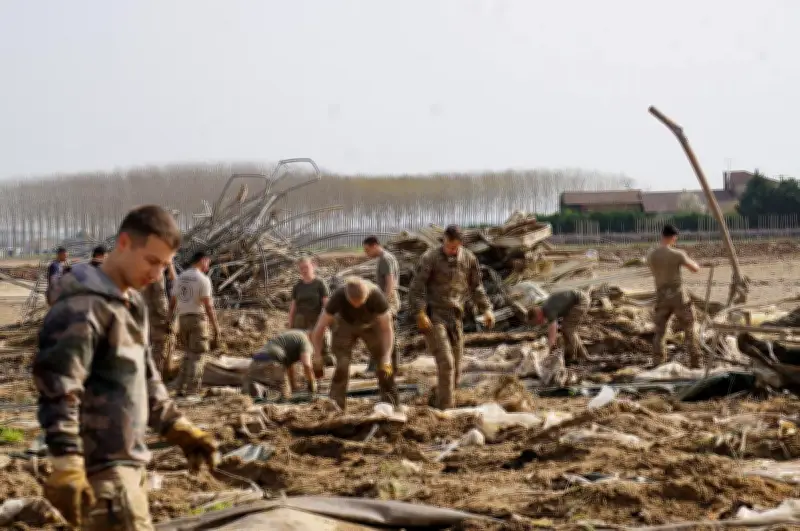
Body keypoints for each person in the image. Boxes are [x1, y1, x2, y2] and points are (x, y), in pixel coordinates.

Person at [32, 205, 219, 531]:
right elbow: (59, 385)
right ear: (123, 244)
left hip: (130, 463)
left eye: (164, 265)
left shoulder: (130, 302)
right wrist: (66, 461)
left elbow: (146, 377)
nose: (157, 274)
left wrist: (178, 427)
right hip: (102, 474)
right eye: (151, 261)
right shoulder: (84, 305)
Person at [407, 224, 495, 410]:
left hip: (455, 316)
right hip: (434, 315)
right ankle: (445, 409)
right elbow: (417, 288)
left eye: (455, 247)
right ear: (444, 240)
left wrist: (486, 309)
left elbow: (476, 287)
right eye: (448, 245)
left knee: (456, 365)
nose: (451, 250)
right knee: (446, 362)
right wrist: (420, 313)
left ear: (461, 243)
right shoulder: (430, 258)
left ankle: (443, 398)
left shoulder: (468, 259)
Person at [312, 276, 397, 411]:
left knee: (385, 364)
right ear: (346, 295)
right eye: (353, 303)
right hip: (345, 325)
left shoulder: (376, 296)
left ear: (367, 295)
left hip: (371, 324)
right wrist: (317, 355)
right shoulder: (338, 297)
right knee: (342, 365)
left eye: (360, 303)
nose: (357, 306)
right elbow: (319, 328)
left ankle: (390, 402)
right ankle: (335, 406)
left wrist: (386, 356)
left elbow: (387, 330)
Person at [647, 224, 702, 367]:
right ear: (673, 238)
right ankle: (696, 361)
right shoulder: (677, 254)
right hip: (679, 297)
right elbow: (694, 269)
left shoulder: (652, 255)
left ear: (662, 236)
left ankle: (658, 363)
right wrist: (695, 262)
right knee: (690, 328)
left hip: (661, 296)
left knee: (659, 332)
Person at [168, 250, 220, 397]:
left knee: (187, 355)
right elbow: (208, 306)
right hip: (198, 320)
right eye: (208, 262)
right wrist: (216, 327)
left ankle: (180, 388)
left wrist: (169, 320)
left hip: (182, 320)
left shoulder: (180, 279)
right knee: (197, 356)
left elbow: (172, 303)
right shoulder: (203, 279)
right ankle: (192, 392)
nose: (208, 266)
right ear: (203, 260)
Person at [242, 330, 318, 400]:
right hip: (273, 362)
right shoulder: (306, 341)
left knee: (248, 397)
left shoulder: (293, 336)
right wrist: (312, 386)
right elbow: (307, 365)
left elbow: (290, 369)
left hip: (256, 361)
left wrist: (293, 387)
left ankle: (259, 389)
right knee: (284, 398)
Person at [362, 235, 400, 374]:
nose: (366, 253)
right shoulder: (386, 258)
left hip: (388, 299)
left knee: (385, 331)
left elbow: (390, 282)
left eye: (367, 250)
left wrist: (384, 301)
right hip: (387, 298)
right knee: (387, 331)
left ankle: (390, 365)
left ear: (374, 246)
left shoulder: (385, 259)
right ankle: (391, 365)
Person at [287, 257, 333, 365]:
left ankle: (322, 363)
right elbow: (293, 307)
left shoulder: (320, 284)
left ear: (313, 266)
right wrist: (290, 324)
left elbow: (326, 304)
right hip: (300, 321)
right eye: (301, 268)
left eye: (306, 267)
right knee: (303, 349)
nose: (304, 270)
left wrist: (325, 321)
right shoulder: (298, 286)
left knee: (321, 349)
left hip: (316, 319)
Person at [528, 289, 591, 363]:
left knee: (568, 329)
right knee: (567, 329)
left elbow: (553, 331)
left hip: (580, 301)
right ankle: (583, 355)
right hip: (576, 302)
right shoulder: (546, 308)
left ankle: (572, 356)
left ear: (538, 315)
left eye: (537, 321)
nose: (539, 323)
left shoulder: (548, 310)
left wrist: (550, 348)